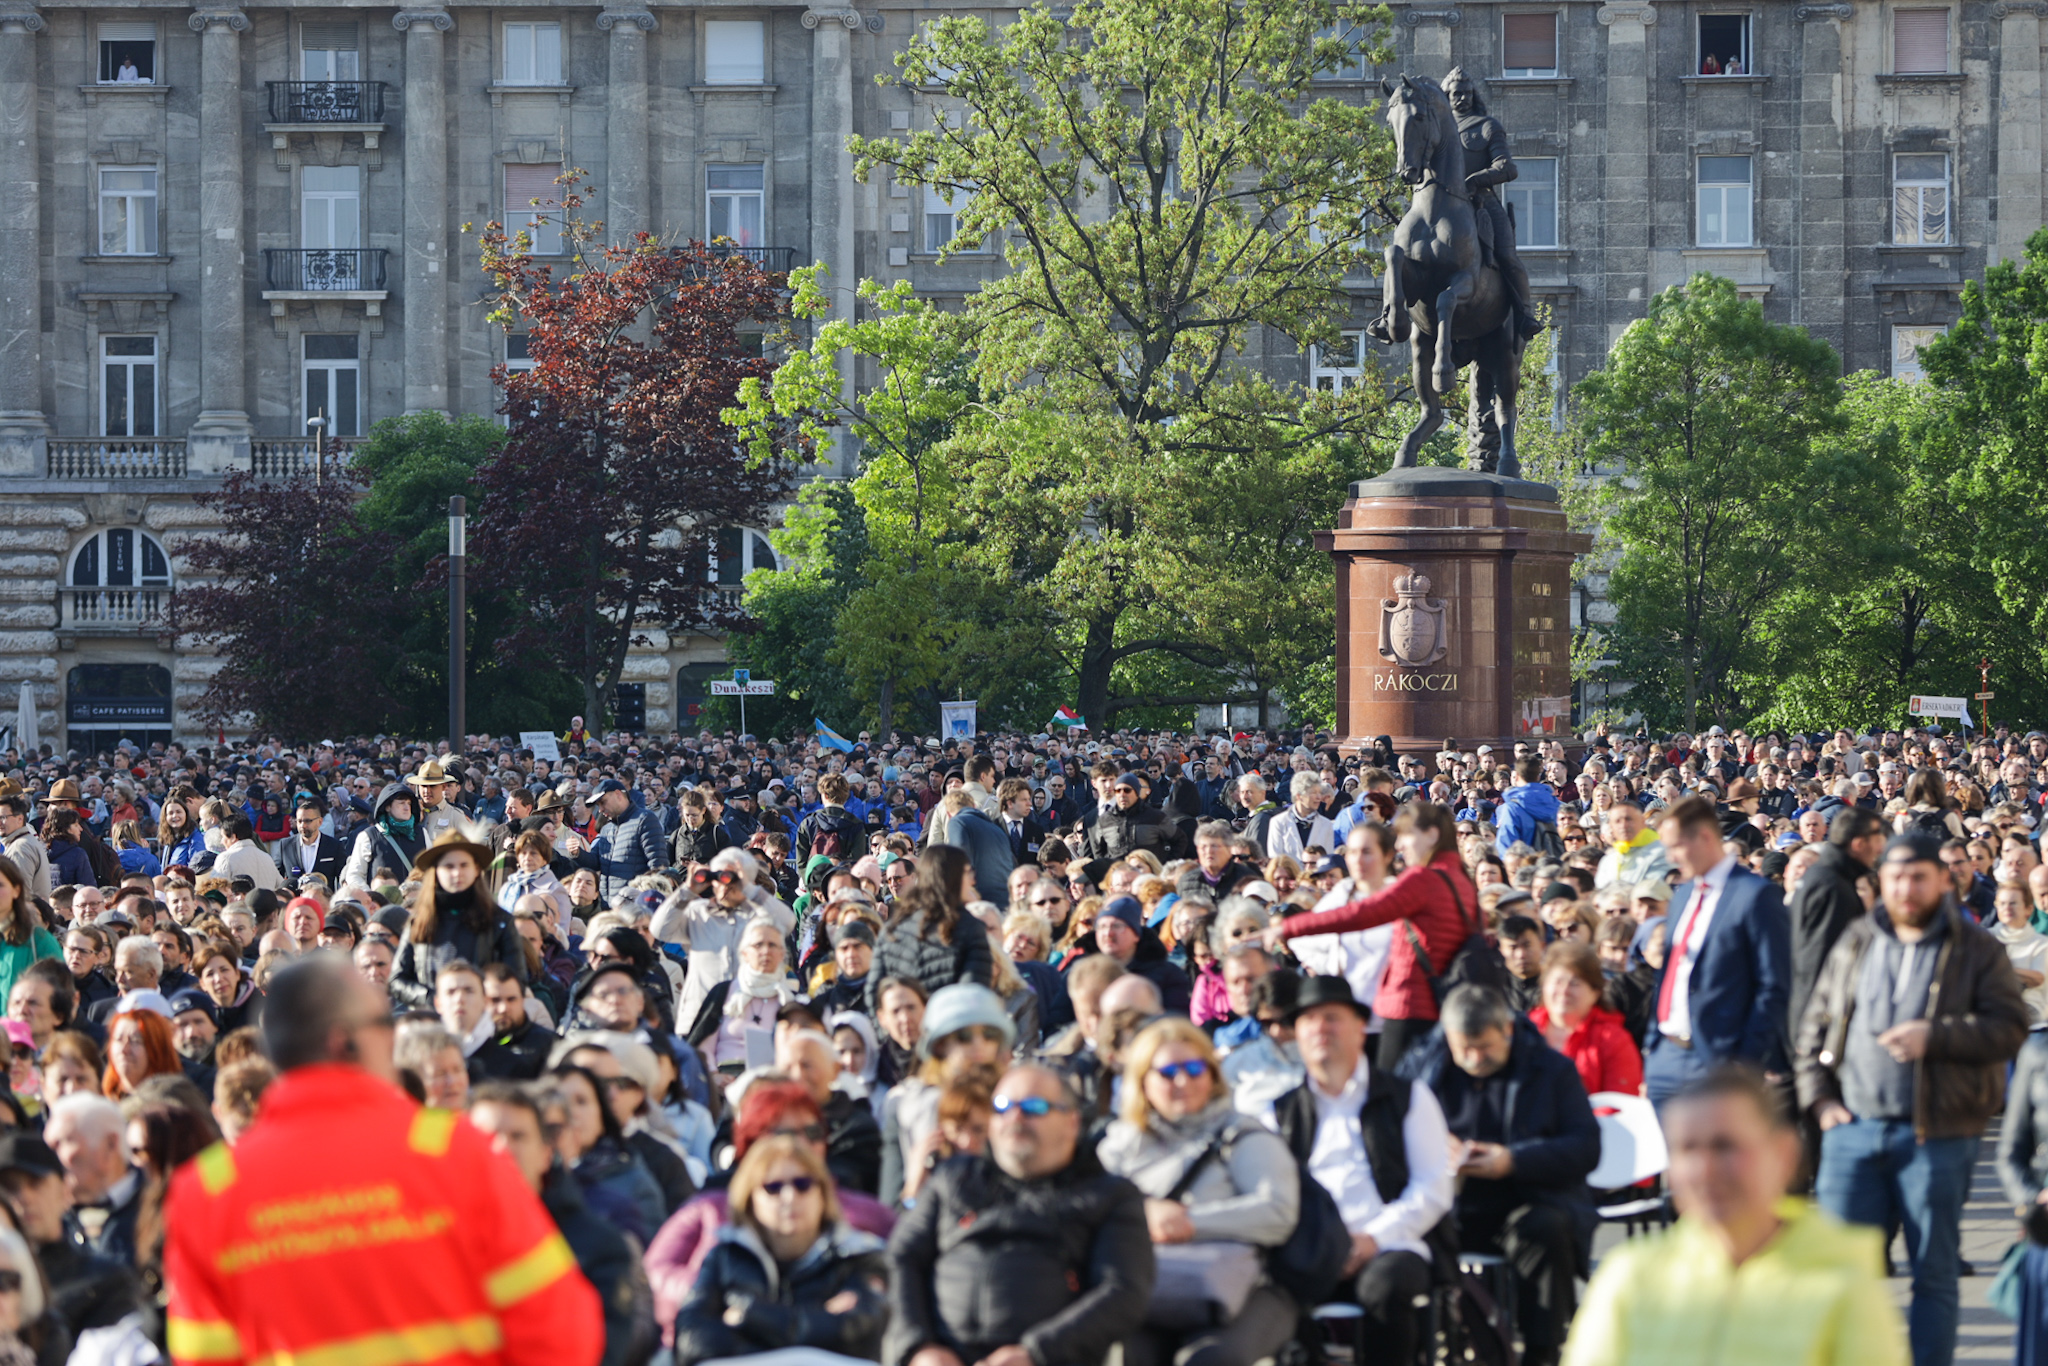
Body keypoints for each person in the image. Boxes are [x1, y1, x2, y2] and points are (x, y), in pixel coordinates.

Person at [163, 954, 604, 1366]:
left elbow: (203, 1357)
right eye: (383, 1024)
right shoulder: (457, 1152)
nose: (394, 1038)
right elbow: (562, 1333)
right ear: (345, 1043)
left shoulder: (206, 1191)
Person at [1796, 832, 2027, 1366]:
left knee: (1934, 1274)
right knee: (1841, 1274)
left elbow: (2009, 1027)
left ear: (1944, 882)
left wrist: (1937, 1036)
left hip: (1938, 1135)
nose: (1906, 887)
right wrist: (1821, 1102)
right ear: (1881, 882)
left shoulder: (1977, 949)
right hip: (1852, 1130)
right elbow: (1815, 1023)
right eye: (1896, 876)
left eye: (1919, 876)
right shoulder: (1857, 939)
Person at [1563, 1064, 1906, 1365]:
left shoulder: (1842, 1285)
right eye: (1687, 1149)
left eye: (1725, 1146)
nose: (1704, 1170)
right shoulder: (1629, 1277)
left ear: (1784, 1154)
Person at [883, 1063, 1154, 1366]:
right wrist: (919, 1347)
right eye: (1002, 1107)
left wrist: (1035, 1354)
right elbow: (902, 1257)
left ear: (1072, 1122)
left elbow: (1122, 1292)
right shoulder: (952, 1181)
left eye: (1033, 1107)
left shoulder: (1109, 1196)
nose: (1015, 1118)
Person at [1403, 986, 1599, 1366]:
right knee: (1403, 1241)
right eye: (1465, 1050)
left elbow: (1585, 1147)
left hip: (1526, 1199)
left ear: (1508, 1029)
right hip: (1447, 1203)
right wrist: (1432, 1145)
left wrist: (1514, 1160)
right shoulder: (1423, 1066)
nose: (1475, 1059)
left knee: (1545, 1230)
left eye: (1485, 1047)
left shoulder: (1552, 1070)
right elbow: (1389, 1132)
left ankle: (1541, 1353)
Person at [1267, 975, 1451, 1366]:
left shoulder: (1408, 1097)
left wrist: (1372, 1238)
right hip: (1313, 1249)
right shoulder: (1279, 1113)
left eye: (1332, 1017)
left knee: (1385, 1288)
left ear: (1360, 1029)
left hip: (1392, 1244)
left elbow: (1432, 1187)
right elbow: (1271, 1195)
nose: (1320, 1028)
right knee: (1272, 1288)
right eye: (1308, 1020)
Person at [1097, 1019, 1300, 1366]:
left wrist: (1190, 1222)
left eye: (1194, 1068)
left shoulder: (1243, 1134)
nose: (1183, 1081)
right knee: (1125, 1354)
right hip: (1152, 1286)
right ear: (1142, 1081)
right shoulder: (1122, 1144)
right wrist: (1142, 1214)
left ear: (1212, 1074)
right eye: (1168, 1072)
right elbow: (1090, 1209)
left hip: (1246, 1287)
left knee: (1206, 1360)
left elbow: (1277, 1211)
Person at [645, 1081, 897, 1346]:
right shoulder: (707, 1206)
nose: (800, 1144)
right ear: (751, 1143)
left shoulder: (869, 1214)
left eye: (812, 1132)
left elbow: (880, 1303)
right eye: (783, 1134)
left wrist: (751, 1313)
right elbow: (654, 1275)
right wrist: (715, 1291)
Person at [1270, 801, 1478, 1072]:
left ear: (1432, 835)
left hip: (1408, 1005)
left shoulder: (1423, 879)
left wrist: (1289, 927)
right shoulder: (1460, 877)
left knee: (1390, 1095)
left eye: (1407, 835)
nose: (1402, 845)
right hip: (1435, 1004)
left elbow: (1364, 913)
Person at [468, 1082, 657, 1366]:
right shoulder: (430, 1237)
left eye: (518, 1136)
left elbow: (607, 1350)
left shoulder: (599, 1246)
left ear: (546, 1154)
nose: (503, 1147)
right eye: (488, 1136)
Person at [673, 1135, 890, 1366]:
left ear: (823, 1193)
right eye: (773, 1187)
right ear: (749, 1198)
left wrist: (750, 1315)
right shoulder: (724, 1256)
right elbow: (690, 1341)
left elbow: (862, 1336)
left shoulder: (859, 1255)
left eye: (803, 1184)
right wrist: (819, 1321)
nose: (789, 1197)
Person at [1641, 795, 1790, 1109]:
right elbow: (1670, 972)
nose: (1670, 857)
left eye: (1675, 846)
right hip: (1665, 1056)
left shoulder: (1756, 896)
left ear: (1706, 837)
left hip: (1719, 1059)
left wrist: (1745, 1059)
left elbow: (1775, 985)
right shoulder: (1681, 895)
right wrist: (1653, 1044)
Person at [0, 1132, 140, 1341]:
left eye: (36, 1183)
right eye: (9, 1188)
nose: (24, 1197)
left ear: (65, 1190)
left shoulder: (106, 1279)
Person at [390, 831, 527, 1009]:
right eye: (449, 866)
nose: (457, 873)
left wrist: (481, 999)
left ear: (476, 869)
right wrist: (431, 999)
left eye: (464, 865)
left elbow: (516, 978)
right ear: (436, 871)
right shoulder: (418, 921)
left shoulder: (499, 920)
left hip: (483, 1023)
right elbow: (397, 980)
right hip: (432, 1023)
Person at [1788, 807, 1886, 1027]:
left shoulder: (1827, 876)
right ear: (1859, 844)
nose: (1881, 849)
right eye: (1877, 840)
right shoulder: (1834, 890)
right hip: (1819, 1022)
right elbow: (1819, 964)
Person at [868, 845, 994, 1011]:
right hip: (949, 1029)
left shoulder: (892, 927)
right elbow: (974, 998)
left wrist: (887, 1032)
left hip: (902, 1029)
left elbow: (872, 997)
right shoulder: (971, 928)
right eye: (967, 873)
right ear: (954, 877)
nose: (972, 881)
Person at [776, 1028, 883, 1196]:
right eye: (788, 1068)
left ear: (835, 1070)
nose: (797, 1076)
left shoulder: (858, 1127)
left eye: (806, 1065)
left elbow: (847, 1181)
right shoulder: (768, 1121)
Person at [1529, 942, 1643, 1098]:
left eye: (1574, 983)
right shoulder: (1524, 1030)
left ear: (1595, 992)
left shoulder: (1614, 1040)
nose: (1564, 991)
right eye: (1557, 982)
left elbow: (1618, 1105)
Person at [43, 1094, 142, 1267]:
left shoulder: (164, 1206)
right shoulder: (53, 1222)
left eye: (60, 1144)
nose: (50, 1160)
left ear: (110, 1145)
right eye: (48, 1149)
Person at [1092, 895, 1193, 1015]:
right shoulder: (1090, 973)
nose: (1108, 933)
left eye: (1116, 926)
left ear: (1136, 934)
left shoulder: (1167, 975)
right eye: (1102, 926)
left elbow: (1176, 1020)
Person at [574, 779, 668, 903]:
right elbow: (596, 862)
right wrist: (577, 853)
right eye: (598, 805)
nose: (600, 809)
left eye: (603, 802)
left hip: (635, 907)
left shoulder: (645, 820)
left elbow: (658, 865)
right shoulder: (607, 829)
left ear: (618, 794)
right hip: (609, 906)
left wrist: (649, 902)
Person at [0, 858, 57, 1013]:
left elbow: (60, 995)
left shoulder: (37, 940)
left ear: (16, 890)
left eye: (0, 885)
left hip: (23, 1034)